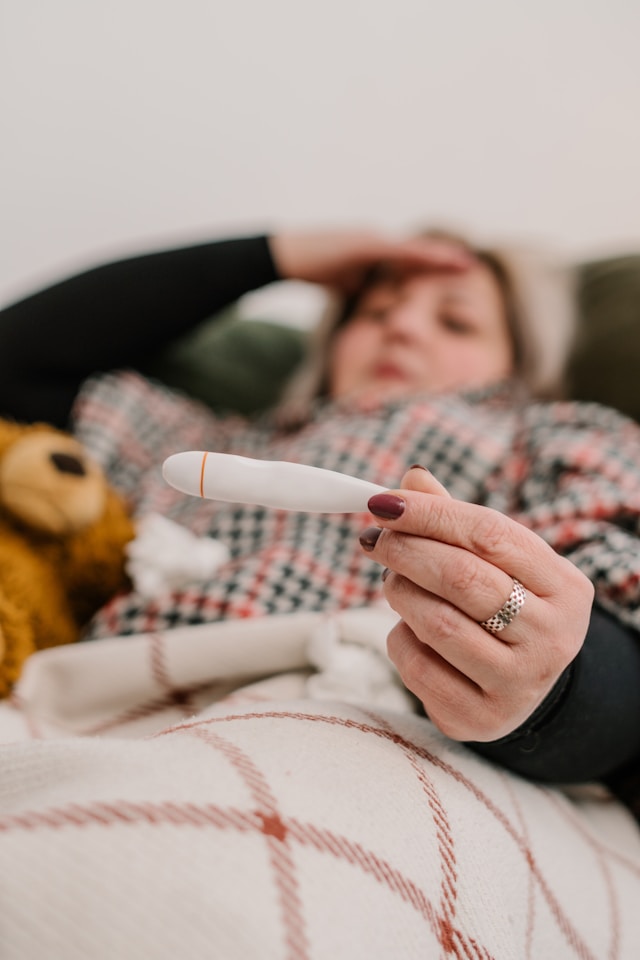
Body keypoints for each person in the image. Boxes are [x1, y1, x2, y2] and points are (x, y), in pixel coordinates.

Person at [1, 229, 640, 813]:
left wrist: (547, 692)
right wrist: (273, 254)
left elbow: (619, 635)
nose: (404, 330)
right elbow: (15, 366)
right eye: (374, 312)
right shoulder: (206, 435)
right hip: (89, 703)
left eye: (456, 320)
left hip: (338, 725)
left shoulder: (554, 440)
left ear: (520, 363)